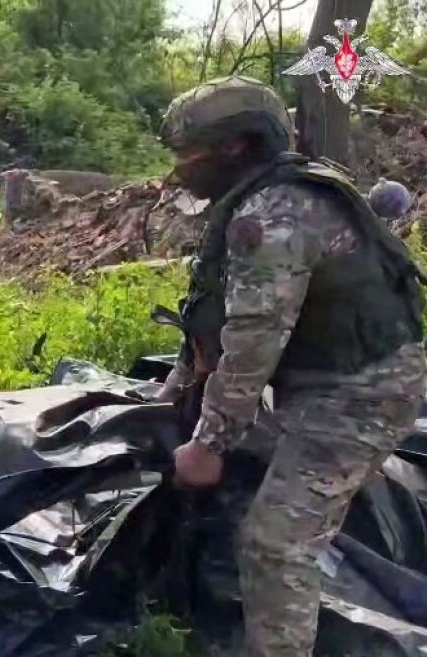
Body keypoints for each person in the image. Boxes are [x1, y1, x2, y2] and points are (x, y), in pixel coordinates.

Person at [153, 75, 427, 656]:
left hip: (361, 394)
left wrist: (208, 445)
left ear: (235, 146)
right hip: (319, 380)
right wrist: (176, 389)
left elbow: (253, 343)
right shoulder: (263, 199)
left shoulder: (277, 215)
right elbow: (213, 317)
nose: (180, 169)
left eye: (188, 153)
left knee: (275, 545)